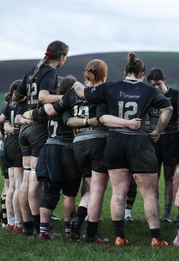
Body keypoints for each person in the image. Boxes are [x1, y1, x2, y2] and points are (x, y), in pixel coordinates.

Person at [73, 52, 173, 247]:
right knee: (149, 193)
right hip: (140, 143)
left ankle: (119, 237)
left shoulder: (109, 87)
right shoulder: (149, 90)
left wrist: (75, 84)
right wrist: (158, 130)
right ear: (142, 73)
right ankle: (155, 238)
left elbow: (82, 92)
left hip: (115, 142)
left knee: (118, 192)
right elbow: (167, 109)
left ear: (125, 71)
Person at [43, 60, 141, 243]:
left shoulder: (72, 93)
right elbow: (107, 117)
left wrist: (42, 103)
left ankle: (77, 221)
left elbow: (53, 111)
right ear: (104, 76)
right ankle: (89, 232)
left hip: (78, 145)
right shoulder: (103, 92)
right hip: (99, 143)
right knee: (97, 190)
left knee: (89, 190)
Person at [13, 40, 69, 236]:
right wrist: (67, 97)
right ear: (61, 57)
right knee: (35, 181)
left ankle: (27, 226)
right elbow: (45, 97)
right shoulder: (50, 72)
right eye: (65, 57)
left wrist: (26, 110)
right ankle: (39, 228)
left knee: (26, 179)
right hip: (38, 129)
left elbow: (17, 97)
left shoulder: (32, 71)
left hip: (25, 129)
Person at [146, 68, 179, 223]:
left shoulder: (176, 95)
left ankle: (167, 212)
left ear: (164, 81)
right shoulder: (148, 96)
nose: (156, 88)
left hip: (171, 140)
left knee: (169, 176)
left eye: (158, 84)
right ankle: (156, 211)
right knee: (154, 178)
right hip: (153, 140)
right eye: (152, 85)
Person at [0, 79, 27, 233]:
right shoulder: (25, 104)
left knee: (10, 186)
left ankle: (9, 221)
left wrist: (2, 132)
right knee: (18, 185)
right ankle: (18, 224)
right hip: (17, 144)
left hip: (7, 145)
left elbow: (0, 120)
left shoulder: (10, 104)